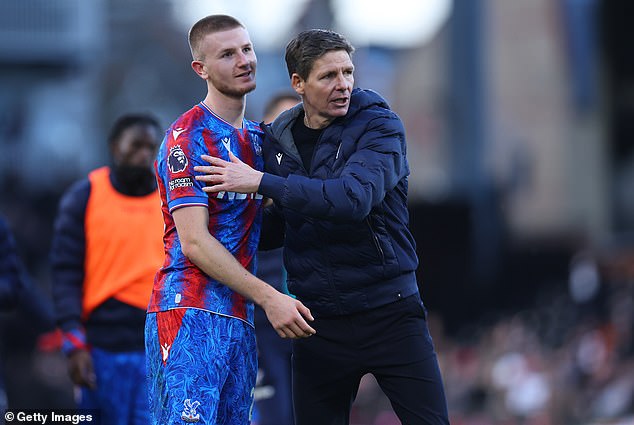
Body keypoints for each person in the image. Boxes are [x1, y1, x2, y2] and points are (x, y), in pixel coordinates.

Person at [195, 29, 451, 425]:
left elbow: (352, 200)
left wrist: (260, 182)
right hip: (318, 325)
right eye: (328, 76)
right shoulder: (278, 137)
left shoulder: (380, 126)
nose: (343, 85)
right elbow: (282, 228)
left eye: (348, 73)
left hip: (390, 312)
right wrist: (212, 225)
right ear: (298, 83)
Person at [144, 15, 315, 425]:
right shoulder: (188, 137)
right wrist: (270, 297)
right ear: (200, 69)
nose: (244, 60)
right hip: (189, 311)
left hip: (241, 320)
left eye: (247, 49)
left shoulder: (259, 140)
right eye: (227, 54)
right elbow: (195, 242)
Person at [50, 113, 164, 424]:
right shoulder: (84, 196)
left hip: (157, 345)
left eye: (151, 148)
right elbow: (64, 273)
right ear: (115, 147)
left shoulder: (172, 200)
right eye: (135, 145)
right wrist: (73, 342)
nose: (144, 155)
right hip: (100, 346)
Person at [252, 92, 299, 425]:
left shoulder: (325, 184)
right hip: (261, 328)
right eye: (282, 125)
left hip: (311, 325)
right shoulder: (244, 181)